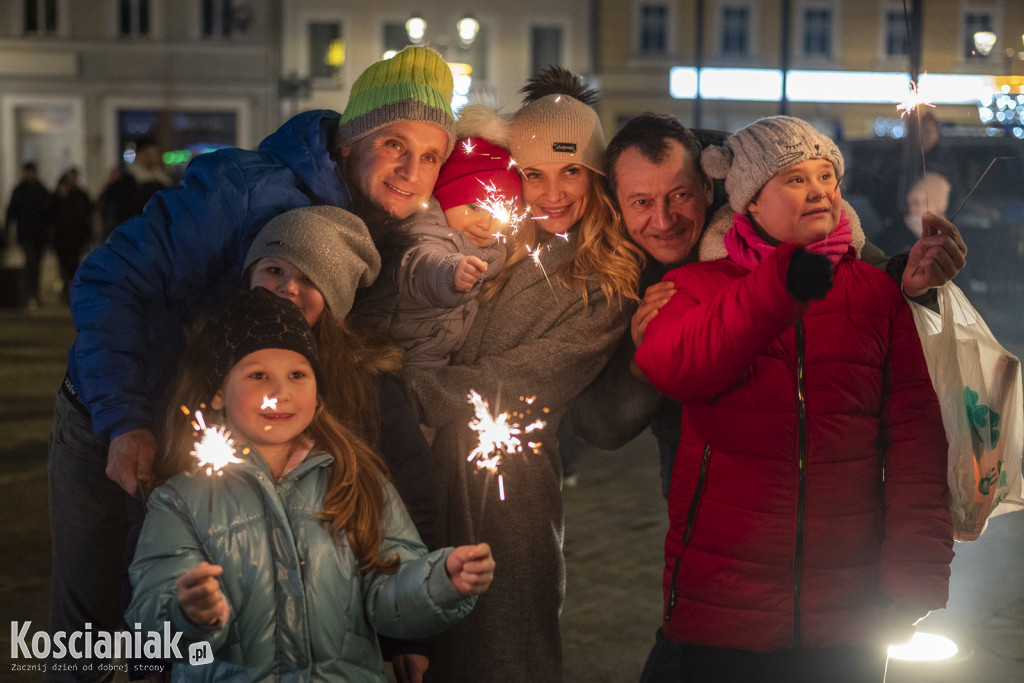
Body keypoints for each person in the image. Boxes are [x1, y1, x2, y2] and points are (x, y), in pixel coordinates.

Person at [48, 45, 457, 682]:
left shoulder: (377, 222)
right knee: (97, 629)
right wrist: (124, 419)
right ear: (350, 142)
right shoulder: (245, 189)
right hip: (117, 407)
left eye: (431, 155)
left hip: (215, 422)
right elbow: (110, 277)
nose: (412, 168)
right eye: (395, 143)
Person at [633, 116, 954, 682]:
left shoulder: (876, 293)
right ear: (750, 203)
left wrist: (916, 576)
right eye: (794, 179)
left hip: (849, 610)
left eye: (827, 175)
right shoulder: (698, 288)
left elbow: (915, 440)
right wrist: (782, 283)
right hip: (727, 606)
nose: (818, 191)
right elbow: (675, 366)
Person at [566, 113, 968, 497]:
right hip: (696, 451)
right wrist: (643, 362)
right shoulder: (610, 268)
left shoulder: (761, 207)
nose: (664, 219)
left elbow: (853, 262)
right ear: (617, 204)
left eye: (681, 195)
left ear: (709, 187)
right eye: (640, 202)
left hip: (824, 452)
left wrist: (915, 282)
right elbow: (599, 426)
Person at [398, 66, 644, 682]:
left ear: (595, 176)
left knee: (502, 649)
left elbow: (529, 376)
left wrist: (406, 397)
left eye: (572, 173)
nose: (554, 193)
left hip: (507, 492)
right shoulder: (482, 235)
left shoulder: (606, 281)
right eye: (534, 174)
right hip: (418, 472)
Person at [126, 286, 494, 681]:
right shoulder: (183, 501)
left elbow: (388, 591)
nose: (279, 392)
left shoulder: (356, 480)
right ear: (218, 392)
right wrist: (187, 615)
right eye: (258, 375)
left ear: (318, 395)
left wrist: (438, 582)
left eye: (297, 375)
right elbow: (150, 618)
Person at [358, 104, 518, 367]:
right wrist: (450, 273)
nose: (486, 223)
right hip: (393, 352)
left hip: (435, 355)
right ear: (445, 197)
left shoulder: (495, 248)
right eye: (474, 206)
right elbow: (418, 262)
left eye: (499, 211)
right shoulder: (425, 226)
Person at [97, 138, 172, 240]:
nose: (152, 158)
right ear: (139, 155)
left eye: (155, 154)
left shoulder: (162, 182)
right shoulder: (126, 183)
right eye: (147, 154)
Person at [4, 162, 51, 308]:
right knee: (30, 263)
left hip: (39, 235)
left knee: (36, 265)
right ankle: (28, 294)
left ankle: (33, 294)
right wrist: (7, 232)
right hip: (26, 234)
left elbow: (49, 212)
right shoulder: (20, 191)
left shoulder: (41, 190)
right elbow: (11, 212)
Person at [874, 171, 951, 257]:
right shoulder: (894, 232)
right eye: (914, 201)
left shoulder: (949, 240)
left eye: (926, 202)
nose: (919, 206)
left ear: (938, 207)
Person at [50, 167, 94, 304]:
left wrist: (89, 233)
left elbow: (89, 213)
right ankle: (65, 291)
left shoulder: (81, 194)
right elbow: (50, 212)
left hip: (77, 238)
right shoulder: (58, 195)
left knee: (74, 266)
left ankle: (72, 292)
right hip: (61, 238)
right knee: (63, 266)